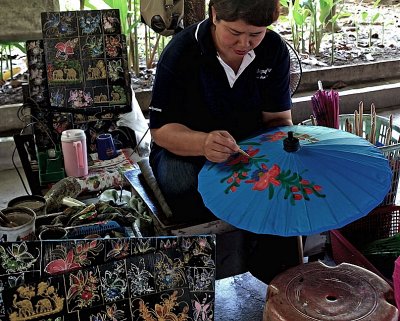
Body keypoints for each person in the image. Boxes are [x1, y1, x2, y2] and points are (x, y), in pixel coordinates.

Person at [148, 0, 300, 284]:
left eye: (256, 34)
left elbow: (278, 120)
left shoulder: (274, 50)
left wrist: (287, 146)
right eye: (235, 32)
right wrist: (203, 143)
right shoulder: (182, 52)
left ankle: (278, 277)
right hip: (187, 148)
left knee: (283, 182)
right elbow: (161, 131)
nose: (245, 44)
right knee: (179, 181)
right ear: (215, 15)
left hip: (248, 148)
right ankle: (200, 271)